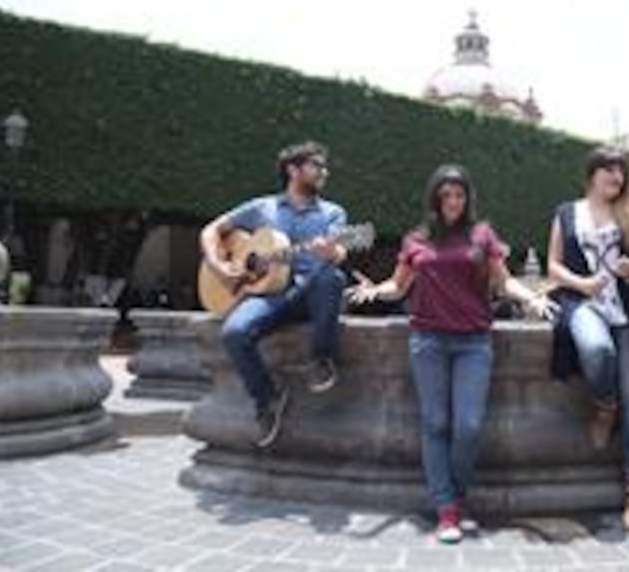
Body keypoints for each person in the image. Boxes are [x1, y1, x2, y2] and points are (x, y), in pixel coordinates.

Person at [348, 164, 556, 544]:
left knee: (469, 425)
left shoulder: (482, 235)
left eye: (459, 195)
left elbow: (503, 280)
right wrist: (375, 291)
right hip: (428, 340)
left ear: (467, 198)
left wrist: (530, 296)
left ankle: (455, 496)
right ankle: (447, 509)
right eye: (446, 196)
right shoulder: (416, 239)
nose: (453, 202)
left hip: (473, 341)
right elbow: (398, 286)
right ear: (435, 199)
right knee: (435, 423)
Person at [200, 140, 348, 448]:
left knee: (331, 277)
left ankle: (322, 358)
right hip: (268, 294)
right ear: (293, 170)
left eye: (324, 166)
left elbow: (340, 251)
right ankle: (267, 398)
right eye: (316, 165)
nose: (324, 171)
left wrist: (333, 251)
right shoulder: (261, 208)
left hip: (310, 292)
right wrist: (218, 265)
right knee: (234, 332)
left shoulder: (333, 213)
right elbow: (211, 230)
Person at [546, 145, 629, 531]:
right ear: (591, 173)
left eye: (621, 171)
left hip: (625, 310)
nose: (617, 177)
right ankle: (604, 404)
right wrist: (583, 284)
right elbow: (553, 266)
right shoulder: (565, 213)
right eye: (609, 169)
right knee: (595, 348)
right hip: (582, 303)